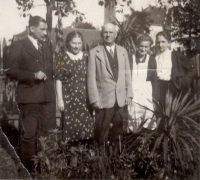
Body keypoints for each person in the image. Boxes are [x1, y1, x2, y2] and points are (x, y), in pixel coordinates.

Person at [5, 16, 56, 172]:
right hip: (29, 98)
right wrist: (33, 75)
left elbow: (51, 69)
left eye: (46, 29)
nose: (45, 32)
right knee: (29, 135)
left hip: (47, 98)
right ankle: (29, 169)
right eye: (42, 29)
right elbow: (10, 71)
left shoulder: (46, 46)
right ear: (31, 28)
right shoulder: (18, 45)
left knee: (47, 134)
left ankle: (45, 168)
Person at [87, 22, 132, 148]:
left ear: (116, 34)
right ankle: (101, 160)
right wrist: (94, 99)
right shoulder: (94, 53)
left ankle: (117, 159)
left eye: (111, 32)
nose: (108, 35)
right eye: (105, 32)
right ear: (102, 34)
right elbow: (91, 78)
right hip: (103, 99)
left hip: (120, 98)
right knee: (102, 131)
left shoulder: (123, 51)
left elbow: (127, 74)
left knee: (118, 130)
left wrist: (129, 93)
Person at [55, 31, 93, 142]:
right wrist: (60, 100)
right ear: (68, 43)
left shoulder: (87, 56)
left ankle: (85, 155)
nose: (76, 46)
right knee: (69, 129)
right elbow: (58, 80)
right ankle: (70, 155)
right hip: (69, 99)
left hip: (85, 98)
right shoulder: (61, 57)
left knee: (86, 127)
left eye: (79, 43)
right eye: (74, 43)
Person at [155, 31, 194, 106]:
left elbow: (192, 68)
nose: (160, 45)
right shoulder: (154, 56)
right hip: (159, 87)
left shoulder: (176, 55)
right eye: (158, 42)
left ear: (168, 42)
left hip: (173, 86)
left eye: (163, 42)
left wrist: (184, 80)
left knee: (173, 112)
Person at [128, 34, 157, 130]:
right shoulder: (130, 58)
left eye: (146, 47)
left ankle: (145, 143)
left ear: (149, 47)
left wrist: (155, 99)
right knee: (132, 120)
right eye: (141, 46)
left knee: (147, 119)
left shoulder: (151, 59)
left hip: (146, 93)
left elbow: (154, 80)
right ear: (137, 45)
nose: (143, 49)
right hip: (133, 93)